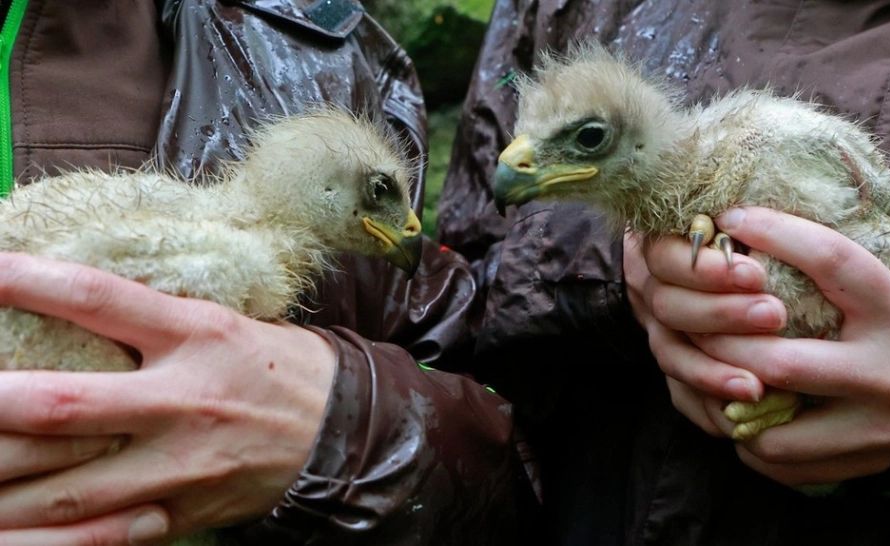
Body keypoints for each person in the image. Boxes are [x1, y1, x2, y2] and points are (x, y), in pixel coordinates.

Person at [0, 2, 538, 545]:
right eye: (380, 195)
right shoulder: (235, 262)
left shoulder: (307, 45)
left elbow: (521, 459)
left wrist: (340, 431)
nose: (407, 228)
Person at [438, 0, 890, 544]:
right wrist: (615, 273)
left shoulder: (775, 149)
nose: (517, 163)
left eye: (589, 139)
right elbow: (451, 293)